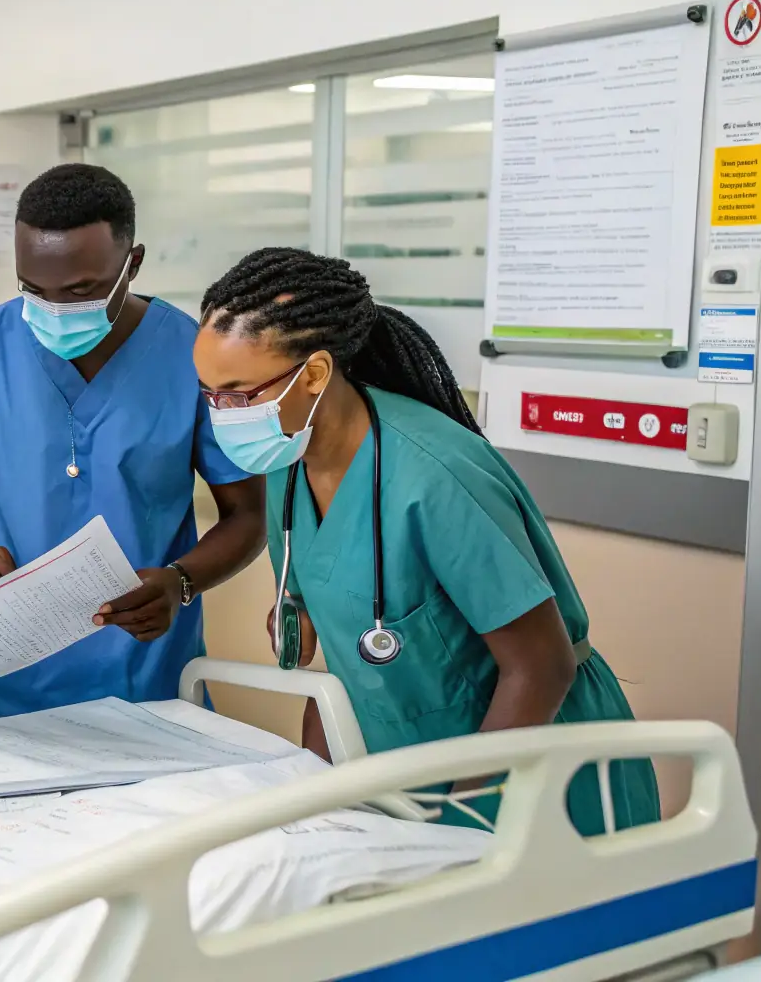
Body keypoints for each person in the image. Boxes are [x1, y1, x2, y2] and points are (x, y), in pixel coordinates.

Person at [192, 246, 658, 836]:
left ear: (314, 374)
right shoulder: (288, 460)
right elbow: (342, 665)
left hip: (533, 775)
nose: (222, 414)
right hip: (406, 777)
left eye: (238, 394)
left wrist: (462, 817)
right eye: (209, 394)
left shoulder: (434, 476)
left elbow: (541, 668)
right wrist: (316, 795)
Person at [0, 164, 266, 719]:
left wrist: (180, 582)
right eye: (32, 289)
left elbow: (248, 516)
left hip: (143, 681)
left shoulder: (192, 358)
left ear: (132, 264)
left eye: (80, 290)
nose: (54, 309)